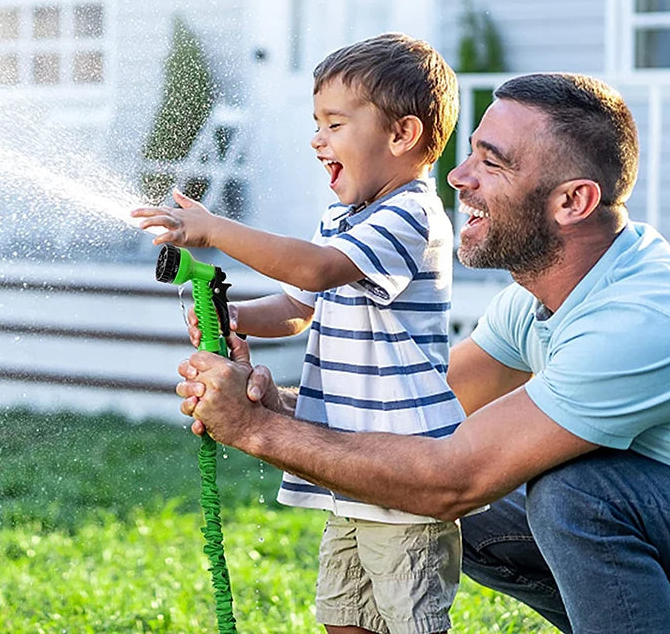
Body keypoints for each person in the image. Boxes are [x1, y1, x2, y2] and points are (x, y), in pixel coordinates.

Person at [174, 73, 670, 634]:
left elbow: (453, 479)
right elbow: (427, 413)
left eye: (491, 163)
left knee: (570, 495)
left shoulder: (637, 319)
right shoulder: (537, 299)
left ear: (572, 201)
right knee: (458, 505)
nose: (458, 176)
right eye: (471, 154)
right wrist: (270, 406)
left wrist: (254, 430)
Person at [133, 32, 466, 634]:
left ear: (402, 134)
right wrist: (235, 318)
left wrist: (214, 230)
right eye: (317, 124)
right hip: (347, 464)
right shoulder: (343, 217)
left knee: (408, 622)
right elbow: (298, 303)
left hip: (403, 471)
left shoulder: (411, 214)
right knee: (344, 617)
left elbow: (313, 270)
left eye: (334, 124)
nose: (317, 139)